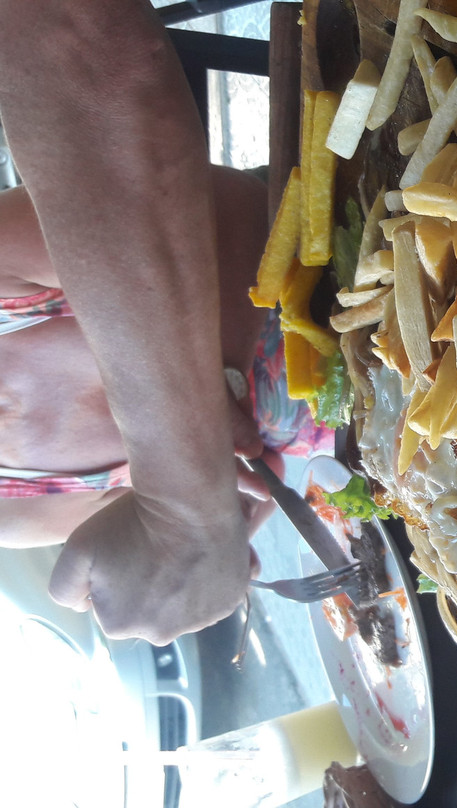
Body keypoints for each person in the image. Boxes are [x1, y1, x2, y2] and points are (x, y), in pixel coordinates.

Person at [0, 0, 329, 645]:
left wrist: (183, 495)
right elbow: (242, 473)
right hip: (349, 423)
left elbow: (166, 184)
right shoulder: (16, 513)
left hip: (336, 240)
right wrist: (213, 513)